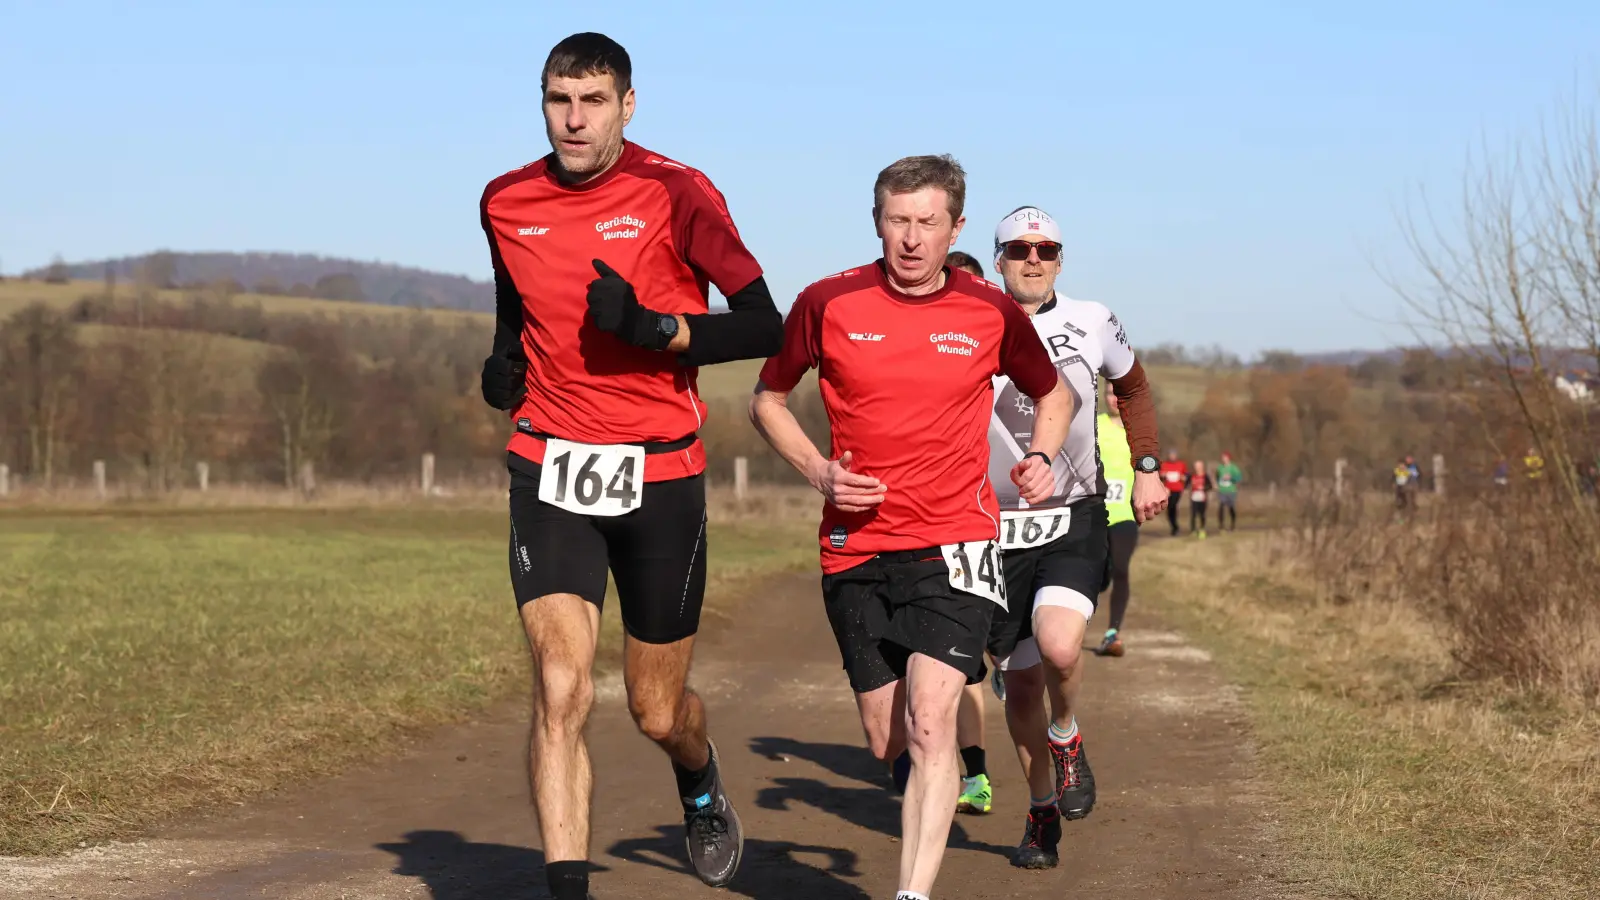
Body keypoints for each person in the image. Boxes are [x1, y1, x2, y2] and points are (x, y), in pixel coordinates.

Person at [476, 33, 783, 900]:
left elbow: (767, 325)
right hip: (552, 464)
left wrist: (657, 329)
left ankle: (698, 776)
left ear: (628, 105)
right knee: (561, 686)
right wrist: (504, 367)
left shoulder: (675, 191)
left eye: (593, 101)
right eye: (558, 101)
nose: (574, 121)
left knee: (655, 710)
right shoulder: (506, 199)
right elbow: (516, 308)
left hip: (659, 474)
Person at [750, 156, 1072, 900]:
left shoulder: (989, 310)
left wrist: (1041, 457)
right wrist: (820, 472)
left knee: (933, 724)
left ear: (956, 227)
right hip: (855, 547)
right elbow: (767, 400)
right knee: (886, 735)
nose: (913, 239)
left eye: (929, 223)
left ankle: (910, 894)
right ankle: (926, 781)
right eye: (899, 221)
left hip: (956, 542)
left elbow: (1052, 396)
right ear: (877, 222)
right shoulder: (827, 302)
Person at [979, 205, 1166, 870]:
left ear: (1060, 259)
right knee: (1020, 685)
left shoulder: (1091, 319)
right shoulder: (968, 317)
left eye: (1047, 249)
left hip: (1074, 515)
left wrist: (1147, 468)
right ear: (997, 258)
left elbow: (1135, 387)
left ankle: (1066, 735)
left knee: (1060, 648)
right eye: (1019, 249)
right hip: (990, 526)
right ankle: (1038, 811)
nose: (1034, 259)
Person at [1094, 382, 1142, 658]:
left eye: (1121, 393)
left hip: (1124, 514)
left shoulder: (1139, 430)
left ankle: (1113, 632)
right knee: (1098, 577)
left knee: (1122, 568)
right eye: (1111, 393)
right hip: (1095, 513)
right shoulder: (1095, 425)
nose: (1115, 399)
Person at [1159, 449, 1188, 536]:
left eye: (1174, 455)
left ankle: (1175, 527)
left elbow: (1186, 477)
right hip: (1167, 490)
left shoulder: (1181, 464)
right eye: (1171, 455)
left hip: (1177, 489)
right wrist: (1162, 475)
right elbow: (1160, 476)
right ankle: (1174, 527)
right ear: (1169, 456)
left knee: (1173, 506)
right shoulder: (1164, 465)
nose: (1172, 456)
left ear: (1176, 456)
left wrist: (1183, 477)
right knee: (1169, 509)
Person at [1215, 451, 1242, 532]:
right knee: (1221, 506)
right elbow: (1217, 476)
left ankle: (1232, 525)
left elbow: (1239, 478)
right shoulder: (1220, 467)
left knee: (1231, 508)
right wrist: (1217, 484)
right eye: (1223, 458)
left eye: (1225, 458)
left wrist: (1231, 478)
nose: (1224, 459)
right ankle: (1221, 525)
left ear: (1229, 458)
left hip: (1231, 490)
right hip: (1222, 490)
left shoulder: (1234, 468)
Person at [1187, 460, 1214, 538]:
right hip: (1194, 497)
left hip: (1202, 498)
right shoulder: (1191, 475)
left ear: (1202, 467)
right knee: (1193, 514)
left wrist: (1203, 488)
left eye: (1199, 466)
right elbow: (1187, 484)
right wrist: (1189, 486)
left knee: (1202, 514)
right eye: (1196, 466)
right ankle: (1193, 530)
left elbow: (1210, 486)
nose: (1197, 468)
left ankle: (1202, 529)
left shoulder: (1205, 476)